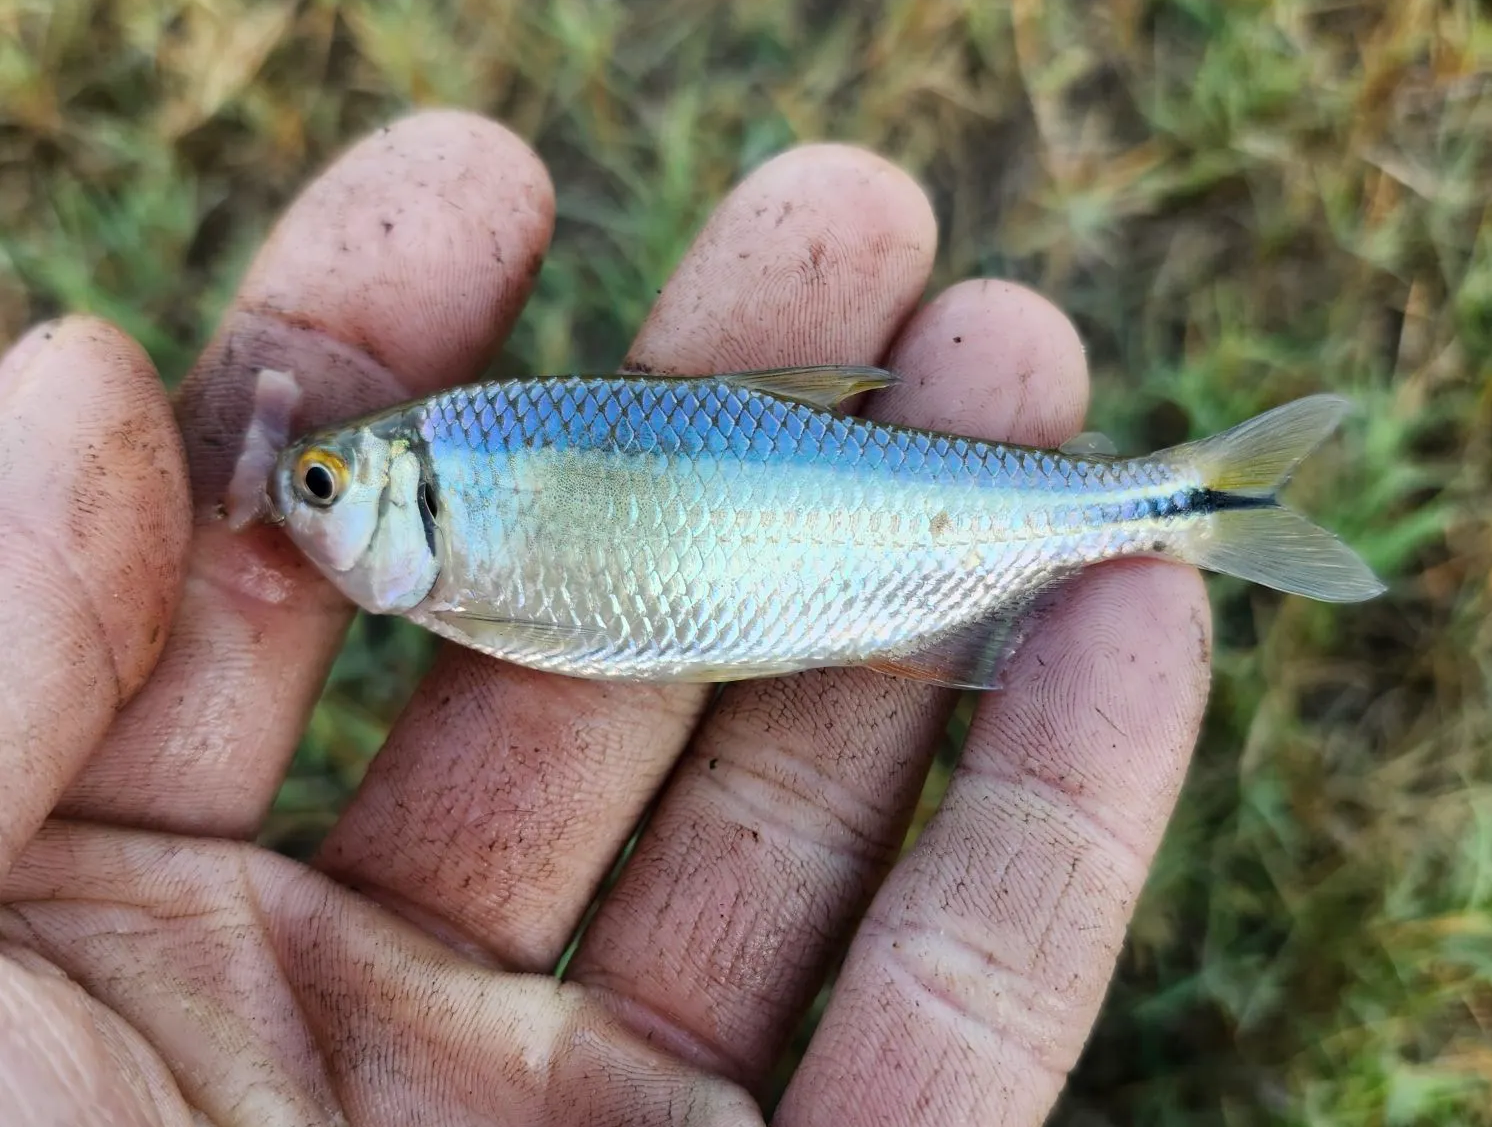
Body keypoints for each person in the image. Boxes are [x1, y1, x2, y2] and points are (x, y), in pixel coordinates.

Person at [0, 112, 1210, 1125]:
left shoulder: (465, 469)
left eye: (321, 487)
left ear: (403, 490)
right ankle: (1169, 497)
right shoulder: (460, 470)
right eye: (317, 483)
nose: (299, 505)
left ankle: (1174, 499)